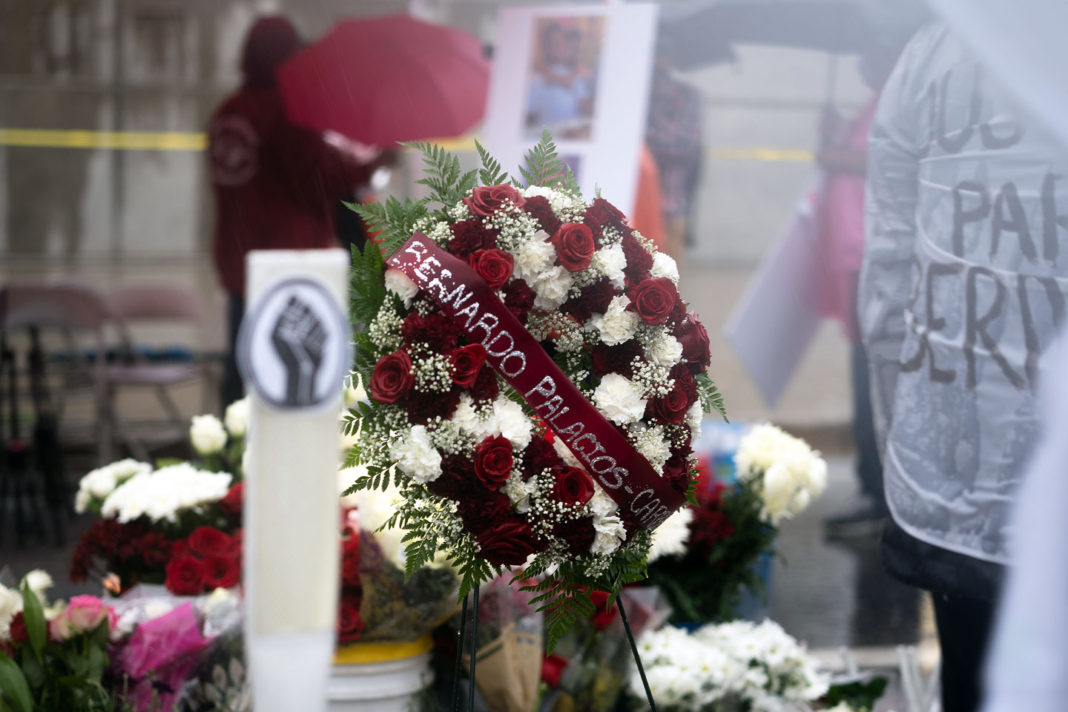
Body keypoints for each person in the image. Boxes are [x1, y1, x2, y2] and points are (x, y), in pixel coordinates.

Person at [859, 21, 1068, 712]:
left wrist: (901, 424)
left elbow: (888, 268)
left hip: (954, 467)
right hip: (966, 473)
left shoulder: (931, 53)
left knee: (976, 684)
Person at [209, 16, 376, 408]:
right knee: (285, 380)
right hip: (289, 261)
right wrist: (371, 162)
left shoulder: (227, 112)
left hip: (239, 259)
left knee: (241, 366)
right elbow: (316, 180)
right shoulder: (285, 112)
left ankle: (230, 456)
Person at [817, 38, 912, 537]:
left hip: (871, 254)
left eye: (874, 53)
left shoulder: (900, 102)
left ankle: (880, 489)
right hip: (854, 253)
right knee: (864, 369)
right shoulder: (873, 104)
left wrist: (835, 152)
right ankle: (872, 484)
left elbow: (888, 162)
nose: (863, 61)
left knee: (872, 373)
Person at [645, 50, 703, 260]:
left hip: (668, 209)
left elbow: (683, 144)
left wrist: (646, 133)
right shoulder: (628, 91)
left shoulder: (687, 96)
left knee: (662, 287)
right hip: (624, 206)